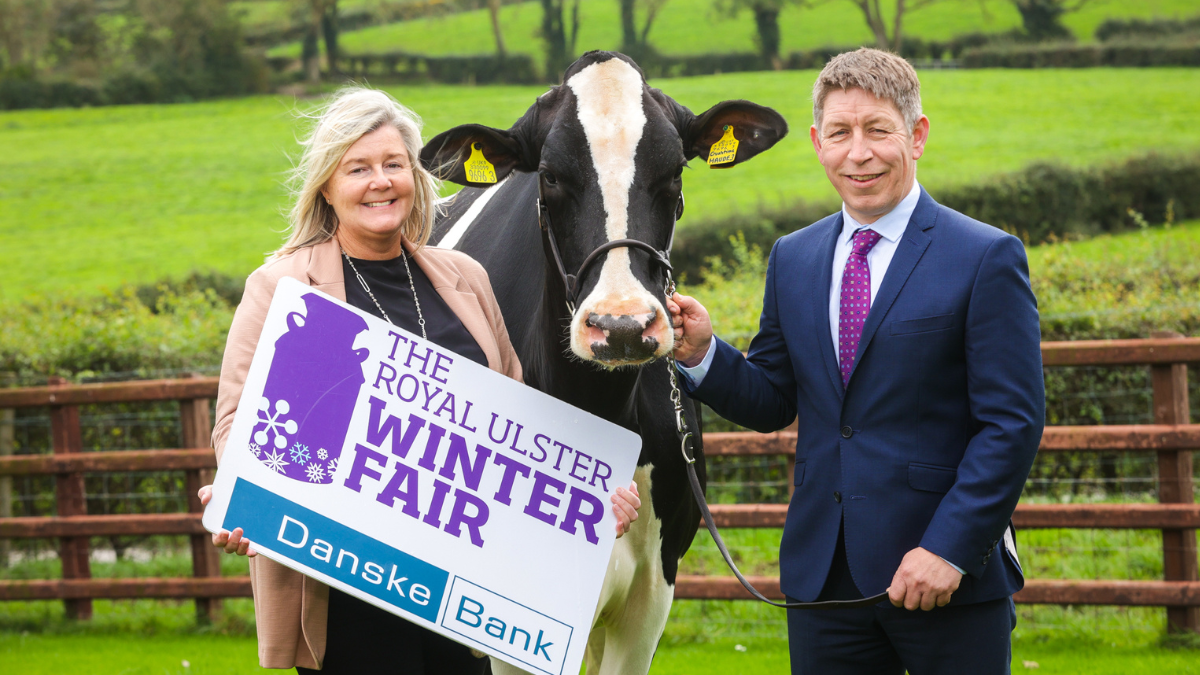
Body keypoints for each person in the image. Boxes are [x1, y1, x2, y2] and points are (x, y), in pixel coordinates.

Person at [197, 86, 642, 673]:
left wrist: (583, 503)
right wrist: (248, 492)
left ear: (415, 176)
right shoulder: (285, 287)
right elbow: (237, 422)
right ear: (327, 185)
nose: (380, 181)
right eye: (358, 168)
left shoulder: (465, 279)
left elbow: (517, 424)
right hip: (341, 593)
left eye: (393, 164)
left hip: (461, 602)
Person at [668, 49, 1044, 674]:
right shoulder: (794, 257)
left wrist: (948, 550)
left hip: (944, 576)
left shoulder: (986, 257)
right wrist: (705, 352)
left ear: (916, 136)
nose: (858, 152)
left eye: (877, 130)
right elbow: (772, 400)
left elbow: (1011, 425)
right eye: (840, 132)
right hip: (824, 581)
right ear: (818, 142)